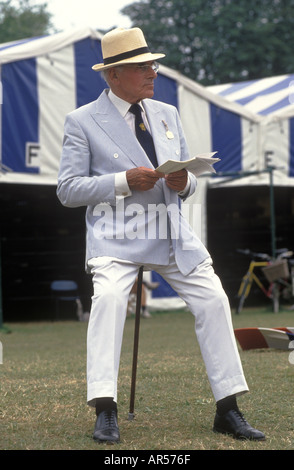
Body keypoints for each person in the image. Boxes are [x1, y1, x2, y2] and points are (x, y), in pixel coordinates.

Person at [57, 27, 265, 444]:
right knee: (111, 300)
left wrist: (183, 182)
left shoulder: (166, 112)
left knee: (215, 300)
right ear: (113, 76)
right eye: (142, 66)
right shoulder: (81, 120)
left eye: (153, 63)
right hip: (114, 237)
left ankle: (228, 408)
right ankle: (105, 409)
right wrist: (121, 180)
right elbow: (67, 190)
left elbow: (186, 181)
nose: (153, 71)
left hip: (171, 233)